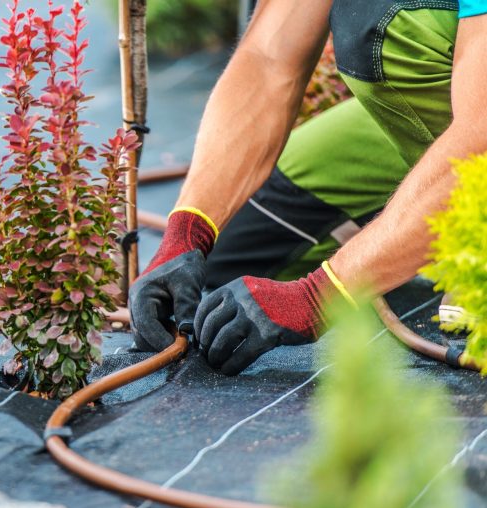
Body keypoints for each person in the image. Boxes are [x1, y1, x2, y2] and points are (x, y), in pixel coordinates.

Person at [129, 0, 487, 375]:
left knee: (379, 21)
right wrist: (188, 232)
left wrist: (317, 297)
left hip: (475, 119)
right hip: (462, 97)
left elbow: (478, 137)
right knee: (236, 253)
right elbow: (268, 59)